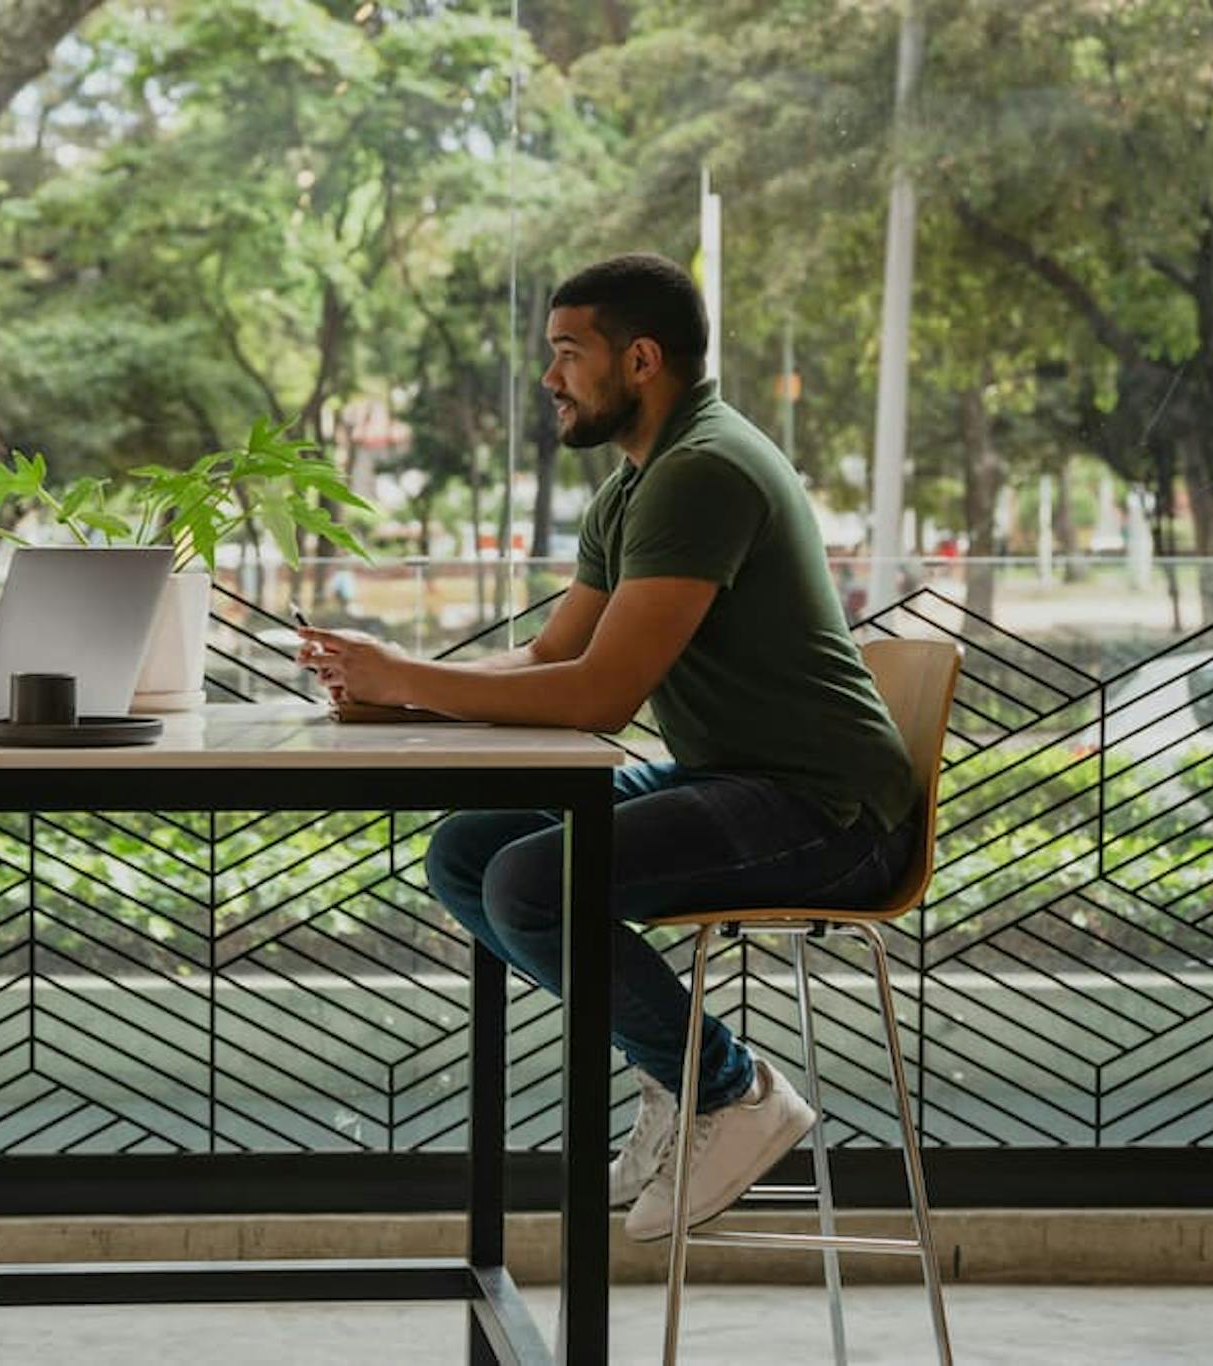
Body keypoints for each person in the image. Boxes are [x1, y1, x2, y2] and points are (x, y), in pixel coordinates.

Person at [297, 254, 917, 1241]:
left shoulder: (703, 471)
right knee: (467, 852)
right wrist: (395, 691)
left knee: (530, 886)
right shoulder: (637, 483)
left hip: (827, 811)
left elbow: (599, 695)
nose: (547, 379)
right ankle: (680, 1083)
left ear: (638, 359)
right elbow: (551, 654)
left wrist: (408, 682)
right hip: (737, 779)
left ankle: (725, 1089)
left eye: (565, 354)